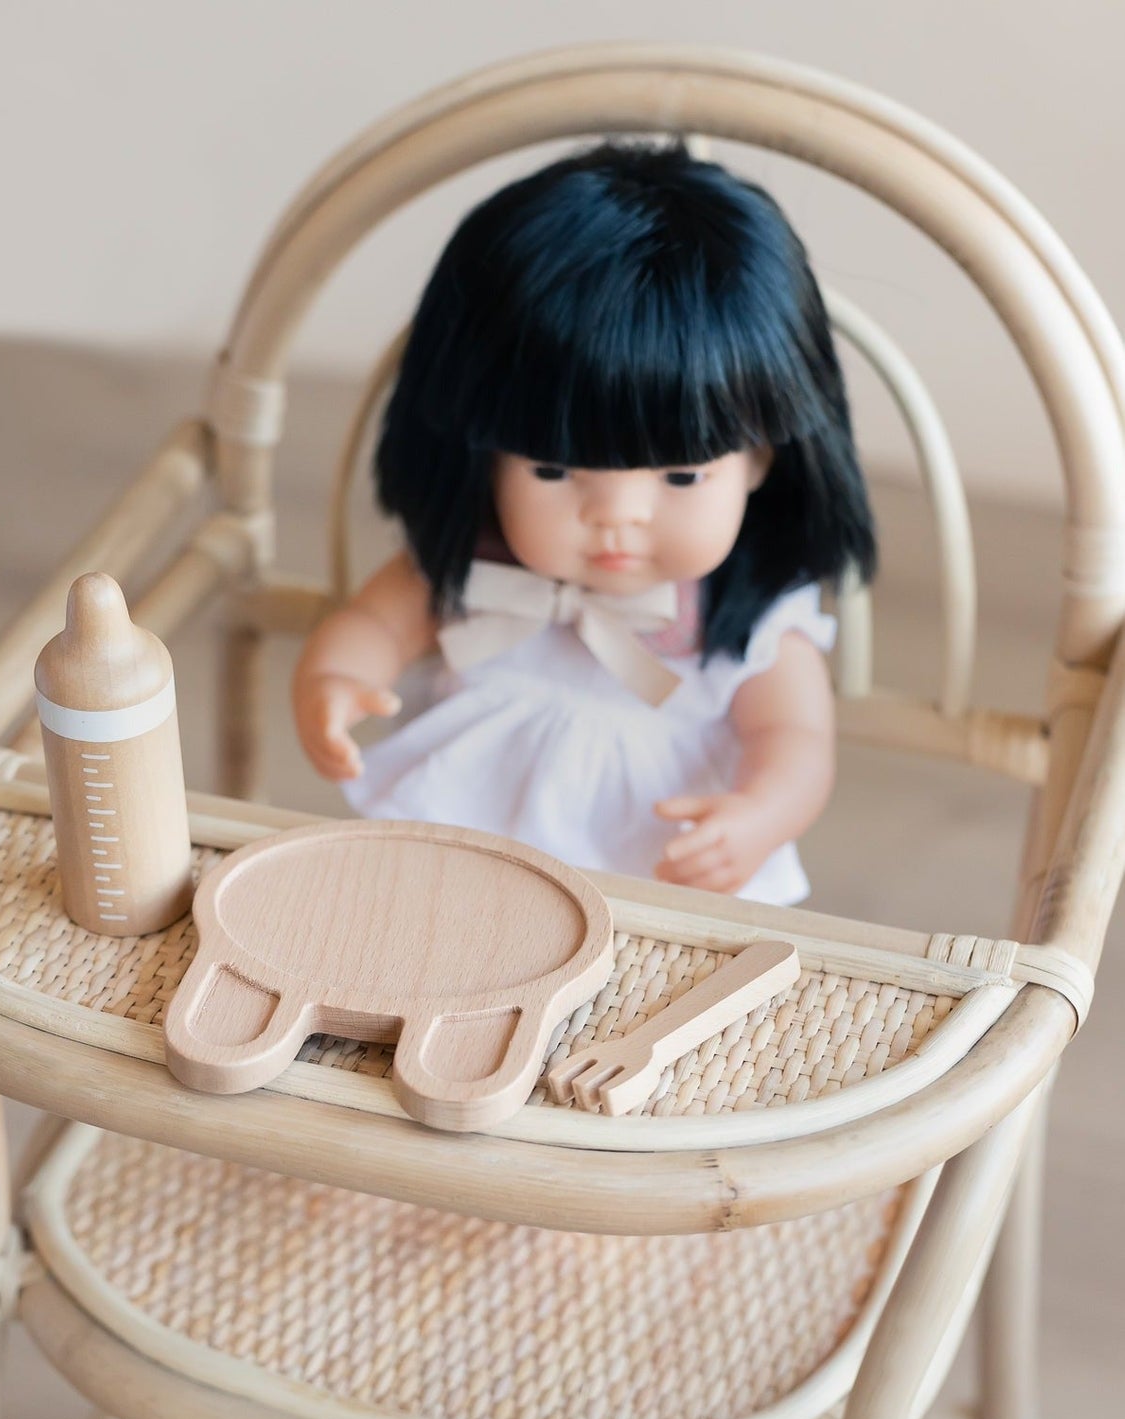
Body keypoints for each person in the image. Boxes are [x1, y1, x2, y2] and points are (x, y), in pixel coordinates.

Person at [291, 140, 876, 903]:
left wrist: (760, 815)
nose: (616, 516)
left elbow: (793, 740)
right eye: (552, 470)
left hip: (653, 889)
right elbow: (373, 623)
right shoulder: (480, 563)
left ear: (759, 461)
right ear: (486, 456)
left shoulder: (752, 622)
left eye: (681, 475)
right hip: (461, 866)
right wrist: (335, 681)